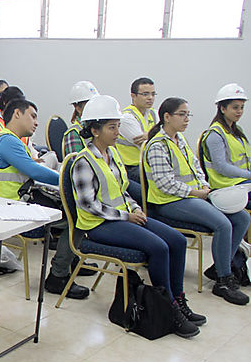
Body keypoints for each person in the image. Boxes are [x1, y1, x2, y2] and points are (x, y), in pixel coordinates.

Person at [71, 95, 203, 338]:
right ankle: (169, 309)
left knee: (178, 240)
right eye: (112, 127)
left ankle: (179, 300)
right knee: (159, 247)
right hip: (99, 224)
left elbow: (121, 191)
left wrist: (134, 208)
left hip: (122, 217)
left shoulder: (114, 155)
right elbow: (88, 205)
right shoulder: (83, 161)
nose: (117, 132)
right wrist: (125, 216)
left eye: (118, 126)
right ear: (95, 130)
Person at [144, 97, 250, 306]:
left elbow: (196, 168)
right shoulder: (157, 145)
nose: (186, 120)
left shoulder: (179, 140)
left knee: (240, 218)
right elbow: (165, 184)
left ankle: (221, 265)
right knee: (222, 223)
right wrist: (195, 193)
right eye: (182, 115)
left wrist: (203, 186)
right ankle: (223, 280)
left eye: (187, 115)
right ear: (167, 117)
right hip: (169, 201)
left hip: (193, 196)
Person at [0, 99, 90, 298]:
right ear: (17, 114)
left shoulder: (12, 140)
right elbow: (35, 171)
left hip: (16, 202)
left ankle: (70, 263)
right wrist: (68, 178)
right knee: (76, 219)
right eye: (32, 116)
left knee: (72, 210)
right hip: (10, 208)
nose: (36, 122)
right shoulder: (7, 141)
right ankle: (58, 276)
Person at [199, 83, 250, 204]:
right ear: (222, 109)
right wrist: (249, 175)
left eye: (242, 107)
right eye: (235, 107)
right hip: (226, 186)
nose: (239, 111)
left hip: (240, 182)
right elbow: (221, 166)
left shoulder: (237, 131)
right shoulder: (215, 134)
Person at [117, 77, 158, 184]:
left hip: (149, 164)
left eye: (153, 94)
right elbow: (147, 146)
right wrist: (155, 135)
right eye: (145, 94)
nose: (150, 98)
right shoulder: (126, 117)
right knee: (160, 181)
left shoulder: (154, 113)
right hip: (132, 167)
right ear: (133, 96)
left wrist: (149, 135)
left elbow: (169, 135)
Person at [62, 81, 99, 158]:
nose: (94, 107)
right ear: (78, 108)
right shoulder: (73, 134)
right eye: (89, 104)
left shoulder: (99, 127)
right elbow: (77, 166)